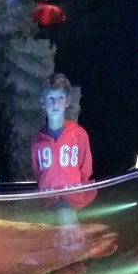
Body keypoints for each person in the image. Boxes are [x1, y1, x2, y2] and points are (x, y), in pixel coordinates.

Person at [31, 73, 96, 219]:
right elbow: (38, 172)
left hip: (73, 202)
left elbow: (85, 170)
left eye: (60, 97)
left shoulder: (79, 134)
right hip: (48, 202)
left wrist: (76, 195)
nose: (56, 103)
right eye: (50, 98)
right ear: (42, 102)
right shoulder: (37, 140)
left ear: (67, 101)